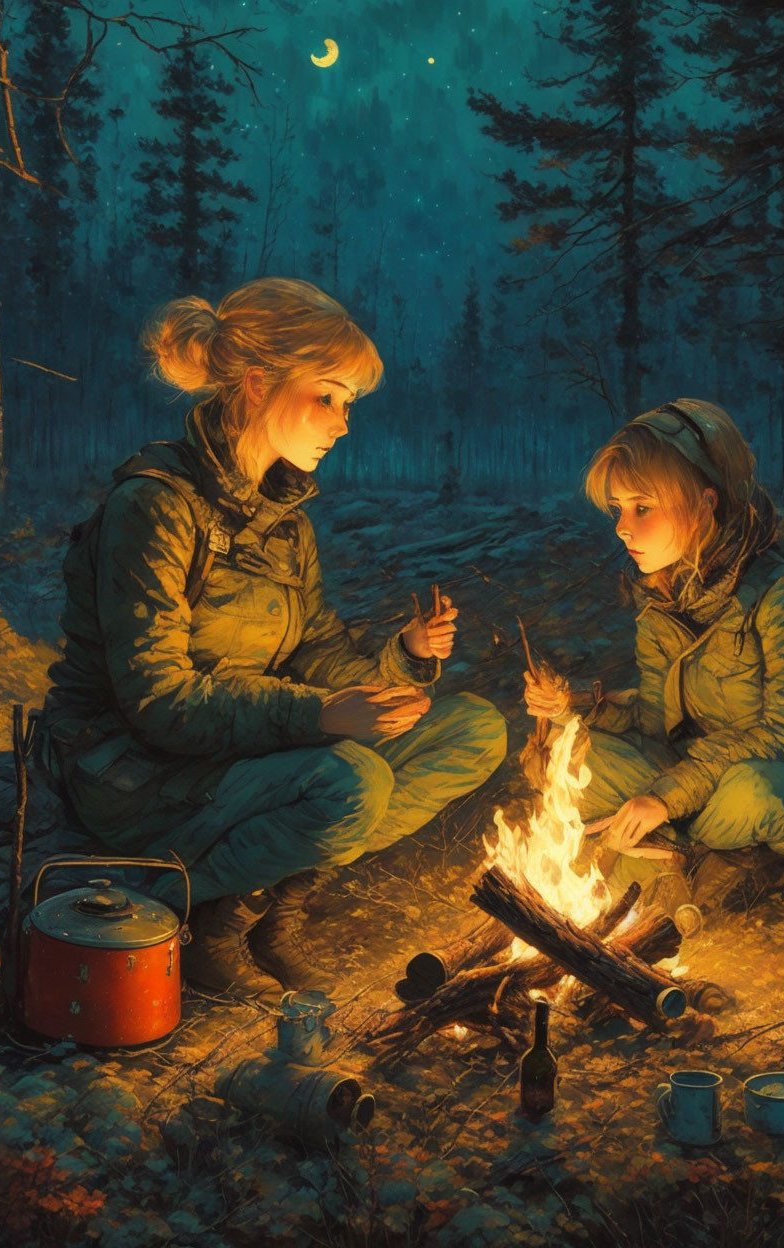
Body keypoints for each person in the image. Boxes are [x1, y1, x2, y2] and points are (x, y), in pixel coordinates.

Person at [35, 278, 507, 997]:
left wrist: (402, 658)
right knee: (353, 782)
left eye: (350, 403)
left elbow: (313, 652)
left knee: (473, 728)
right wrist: (314, 716)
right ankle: (198, 912)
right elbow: (159, 701)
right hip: (137, 769)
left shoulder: (286, 523)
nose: (343, 423)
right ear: (257, 385)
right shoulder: (155, 507)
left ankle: (266, 905)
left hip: (242, 747)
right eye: (329, 395)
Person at [523, 399, 784, 909]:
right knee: (570, 750)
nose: (624, 527)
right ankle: (680, 844)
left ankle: (671, 845)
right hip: (696, 777)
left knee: (756, 791)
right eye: (618, 510)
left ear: (705, 503)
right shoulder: (662, 602)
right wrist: (573, 706)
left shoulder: (782, 602)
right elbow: (654, 722)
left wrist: (667, 795)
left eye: (643, 508)